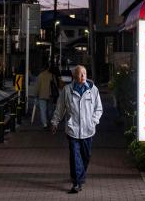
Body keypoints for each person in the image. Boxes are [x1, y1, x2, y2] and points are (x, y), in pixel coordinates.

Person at [51, 65, 103, 194]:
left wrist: (94, 121)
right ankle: (77, 183)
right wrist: (55, 122)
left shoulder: (93, 90)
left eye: (85, 73)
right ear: (75, 76)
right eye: (80, 74)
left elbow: (98, 108)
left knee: (86, 156)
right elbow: (60, 107)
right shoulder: (67, 90)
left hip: (88, 130)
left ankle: (80, 175)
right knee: (75, 156)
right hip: (73, 129)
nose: (83, 76)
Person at [35, 63, 55, 129]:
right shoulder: (52, 75)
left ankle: (45, 124)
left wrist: (36, 95)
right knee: (50, 109)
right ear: (48, 68)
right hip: (50, 94)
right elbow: (55, 86)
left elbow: (37, 87)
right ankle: (49, 120)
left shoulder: (40, 76)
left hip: (42, 95)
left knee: (43, 110)